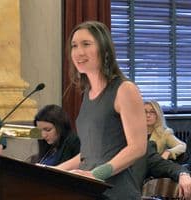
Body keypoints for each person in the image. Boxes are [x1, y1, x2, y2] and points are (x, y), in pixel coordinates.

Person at [57, 21, 147, 199]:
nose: (79, 52)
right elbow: (89, 154)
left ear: (104, 48)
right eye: (74, 46)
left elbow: (137, 147)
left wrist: (97, 174)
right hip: (89, 189)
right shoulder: (87, 94)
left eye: (86, 44)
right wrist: (54, 170)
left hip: (116, 192)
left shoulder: (124, 89)